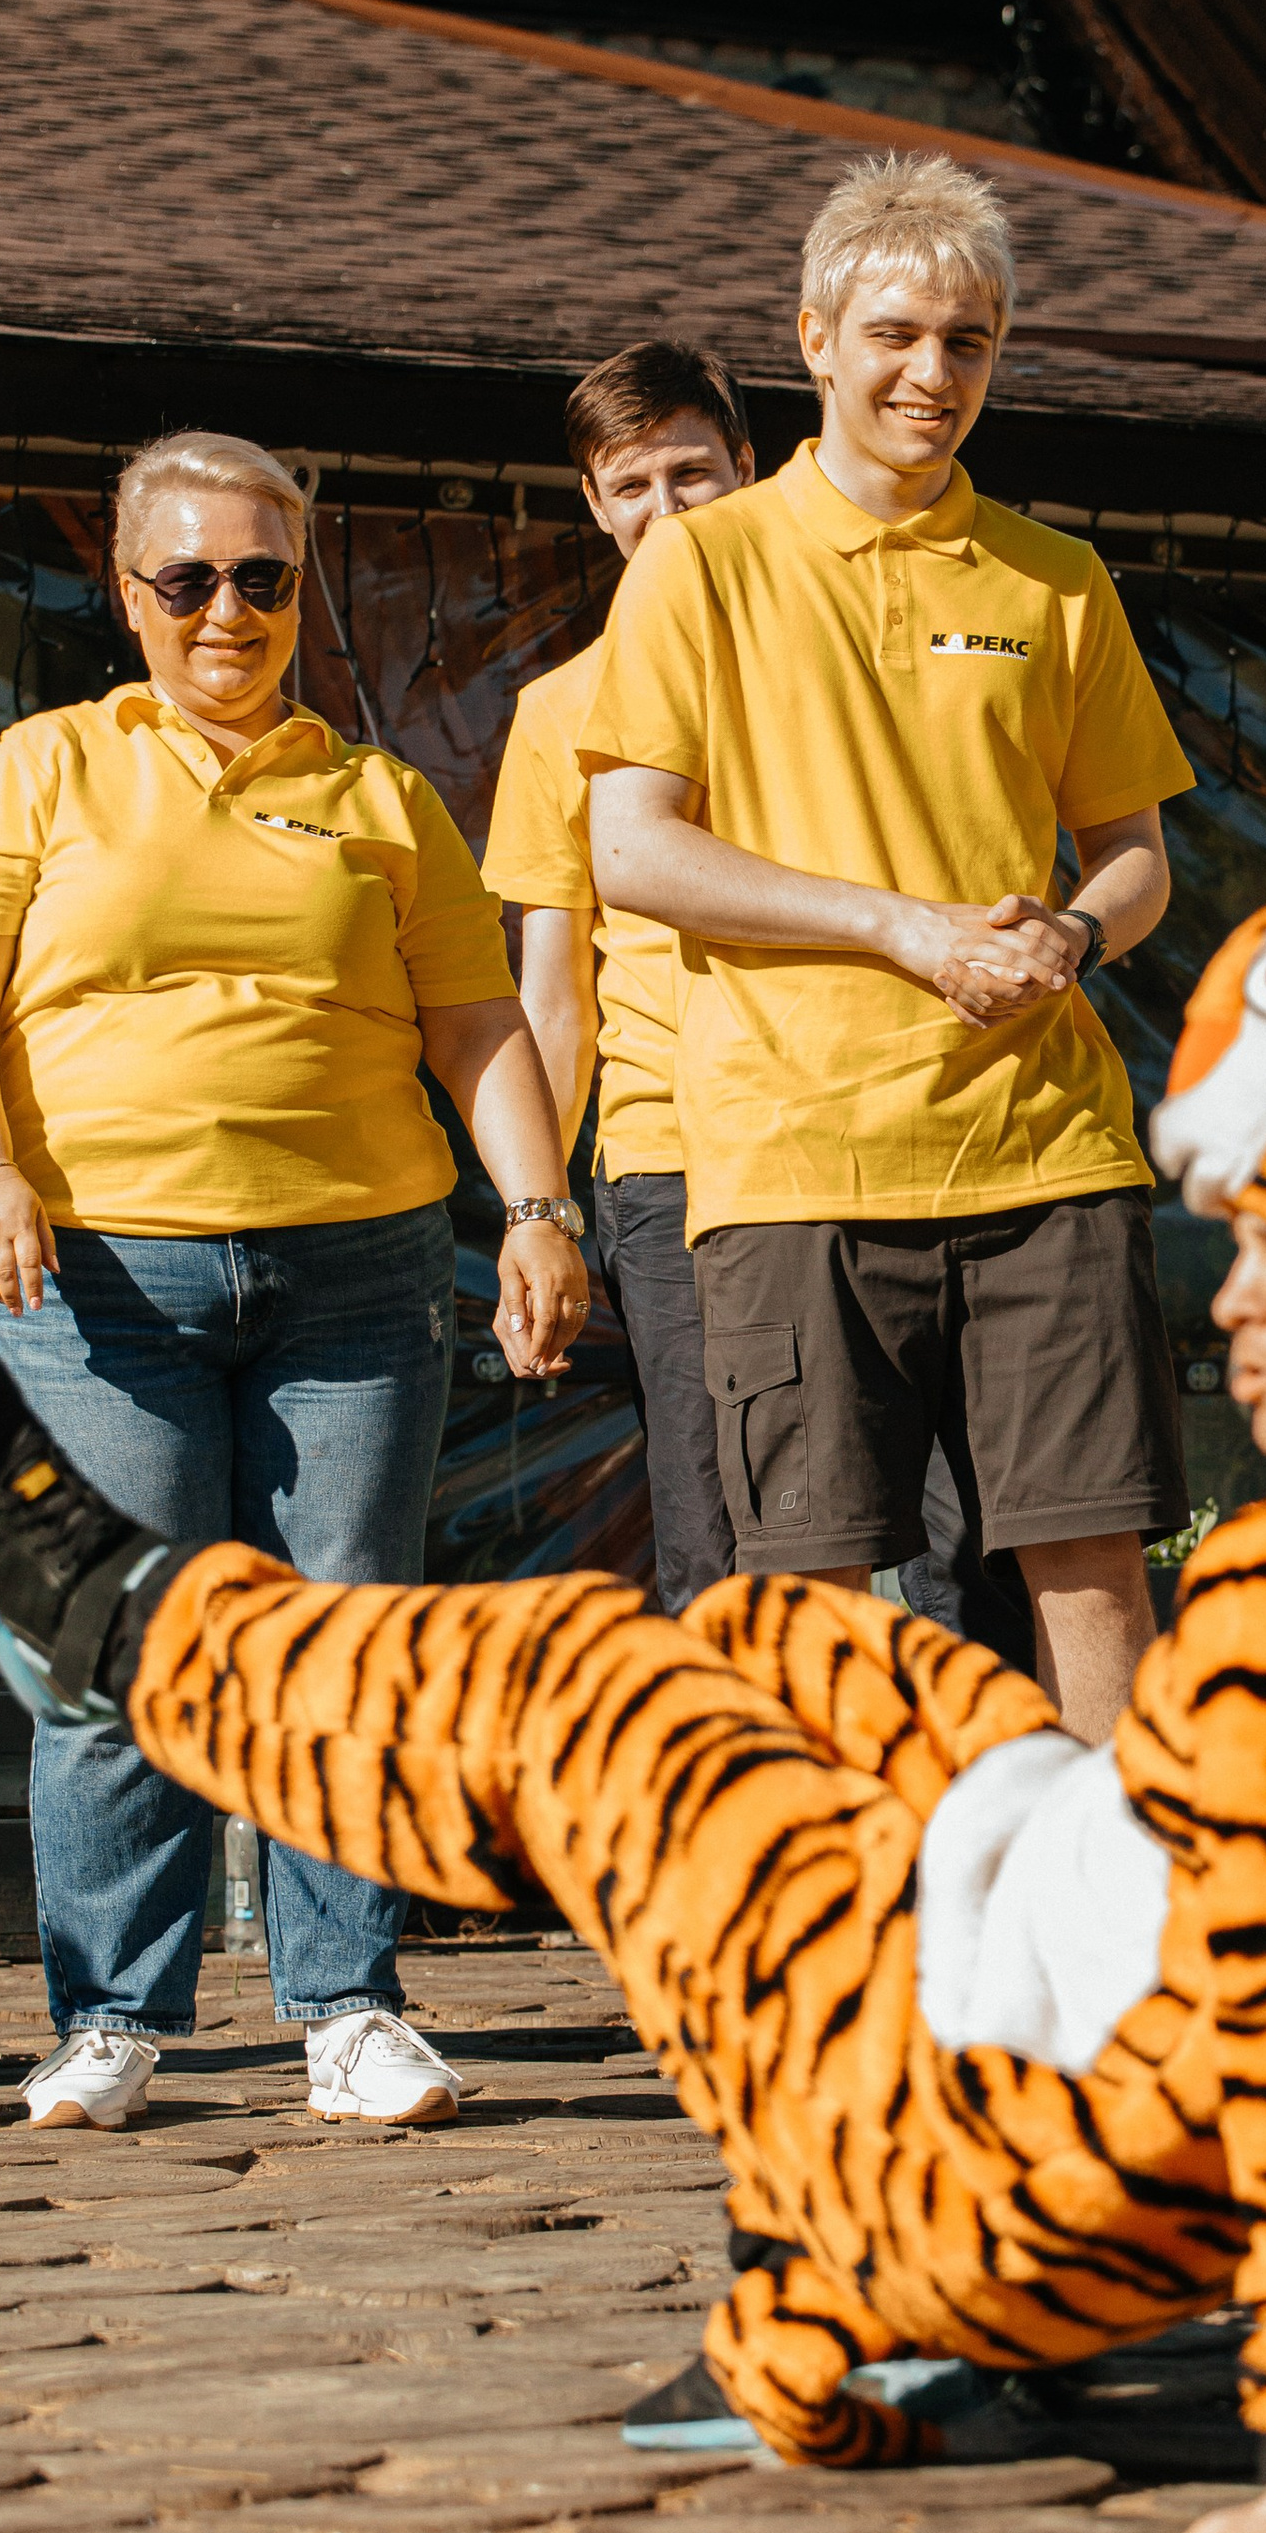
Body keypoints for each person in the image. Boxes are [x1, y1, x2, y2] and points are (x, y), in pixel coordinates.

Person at [0, 844, 1266, 2533]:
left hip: (1006, 2169)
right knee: (802, 1643)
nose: (1233, 1305)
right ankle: (765, 2225)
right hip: (1087, 1997)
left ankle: (149, 1638)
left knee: (598, 1703)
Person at [0, 429, 592, 2137]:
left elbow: (476, 1022)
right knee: (118, 1645)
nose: (230, 610)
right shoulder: (40, 768)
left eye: (265, 579)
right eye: (192, 577)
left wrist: (537, 1208)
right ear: (129, 591)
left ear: (301, 589)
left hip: (356, 1275)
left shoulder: (381, 798)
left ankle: (348, 2007)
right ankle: (111, 2020)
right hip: (98, 1275)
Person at [578, 152, 1195, 1746]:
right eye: (898, 334)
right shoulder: (703, 563)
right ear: (815, 338)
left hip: (1046, 1154)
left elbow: (1137, 858)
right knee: (814, 1600)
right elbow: (631, 849)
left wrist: (1073, 931)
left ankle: (1115, 1902)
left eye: (969, 341)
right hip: (795, 1161)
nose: (934, 372)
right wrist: (898, 928)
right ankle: (845, 1905)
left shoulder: (1057, 579)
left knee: (1091, 1567)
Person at [485, 339, 755, 1611]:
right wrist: (537, 1213)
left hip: (858, 1129)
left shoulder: (832, 667)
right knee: (713, 1538)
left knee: (934, 1537)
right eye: (632, 486)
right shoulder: (559, 709)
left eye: (691, 474)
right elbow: (555, 997)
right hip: (669, 1158)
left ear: (747, 469)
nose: (666, 510)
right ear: (594, 506)